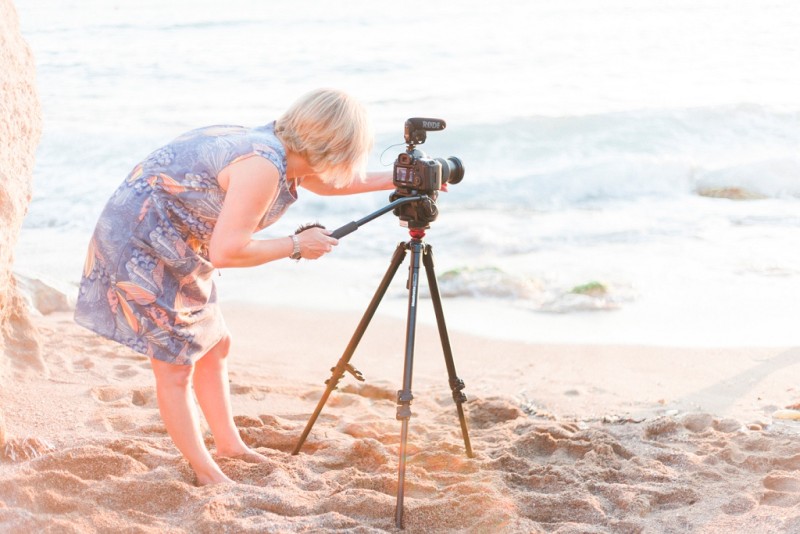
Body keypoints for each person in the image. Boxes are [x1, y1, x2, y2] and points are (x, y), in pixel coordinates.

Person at [74, 88, 394, 485]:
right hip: (141, 243)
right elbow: (228, 251)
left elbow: (325, 183)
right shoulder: (262, 166)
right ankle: (207, 472)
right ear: (334, 144)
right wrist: (297, 245)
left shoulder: (279, 146)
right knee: (174, 366)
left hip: (178, 240)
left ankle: (229, 446)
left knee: (216, 343)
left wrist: (396, 179)